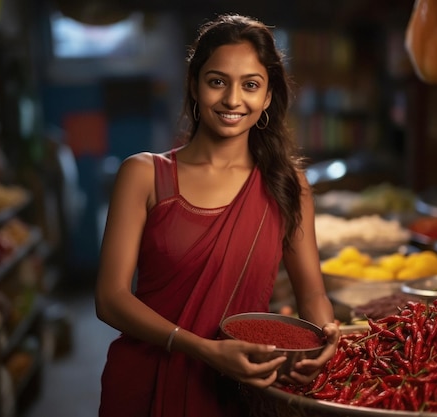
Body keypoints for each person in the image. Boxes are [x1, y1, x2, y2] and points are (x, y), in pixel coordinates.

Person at [95, 13, 340, 417]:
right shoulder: (144, 175)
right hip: (144, 383)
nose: (232, 100)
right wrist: (204, 350)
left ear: (267, 97)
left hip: (243, 388)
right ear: (194, 85)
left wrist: (322, 339)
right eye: (217, 81)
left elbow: (311, 293)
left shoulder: (288, 184)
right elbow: (110, 299)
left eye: (250, 85)